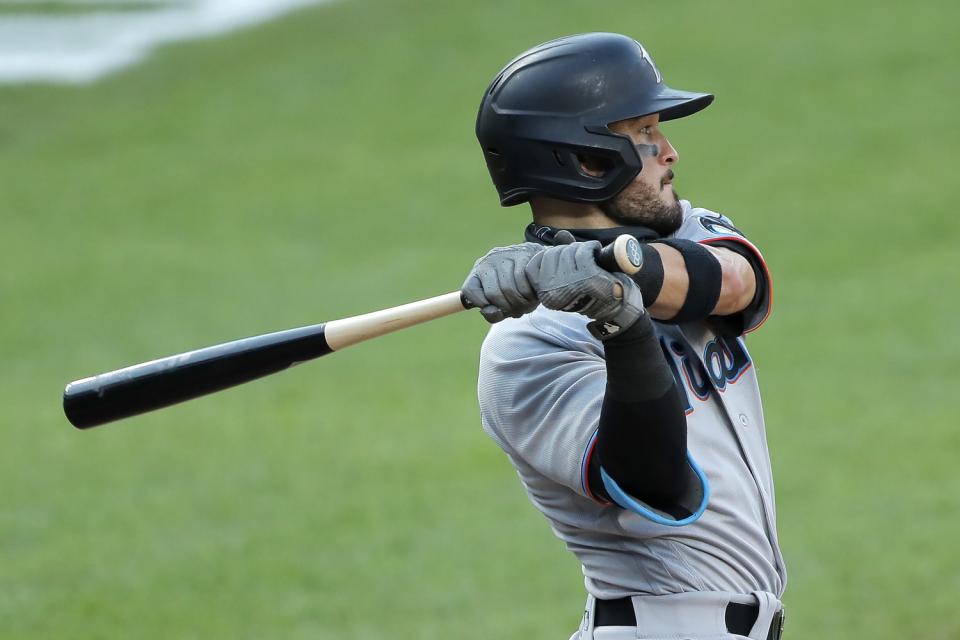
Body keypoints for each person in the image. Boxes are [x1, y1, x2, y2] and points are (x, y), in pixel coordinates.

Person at [461, 33, 786, 640]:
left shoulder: (681, 230)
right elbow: (658, 485)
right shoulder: (527, 346)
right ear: (587, 161)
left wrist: (617, 266)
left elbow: (740, 282)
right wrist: (622, 324)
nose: (670, 153)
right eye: (644, 134)